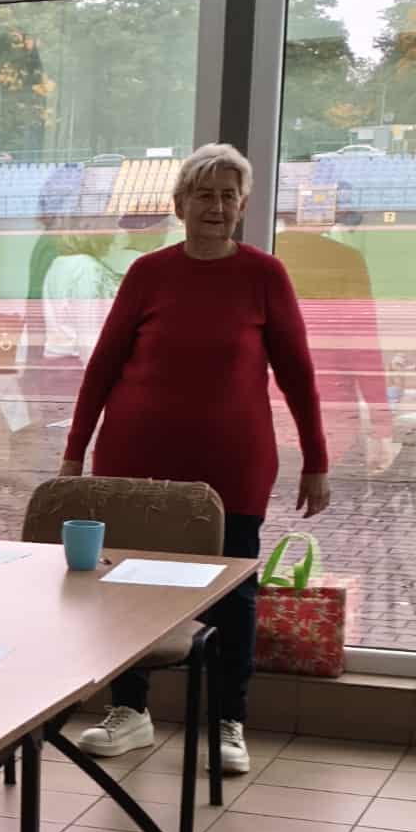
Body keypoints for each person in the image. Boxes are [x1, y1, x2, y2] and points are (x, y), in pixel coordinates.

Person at [63, 142, 330, 777]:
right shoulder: (147, 274)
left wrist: (316, 459)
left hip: (233, 464)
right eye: (204, 194)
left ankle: (227, 721)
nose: (216, 206)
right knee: (126, 588)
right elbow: (102, 368)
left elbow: (298, 374)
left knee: (232, 595)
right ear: (179, 205)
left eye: (228, 196)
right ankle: (129, 709)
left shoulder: (264, 276)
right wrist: (74, 453)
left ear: (242, 207)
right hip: (135, 462)